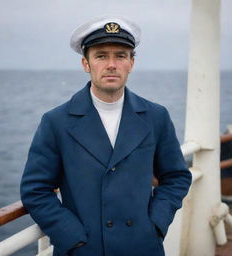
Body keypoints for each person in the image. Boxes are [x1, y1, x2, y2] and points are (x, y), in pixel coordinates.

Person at [20, 16, 192, 256]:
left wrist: (155, 225)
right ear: (85, 63)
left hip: (142, 247)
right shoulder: (56, 122)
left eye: (120, 55)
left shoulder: (155, 116)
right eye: (101, 56)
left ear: (131, 63)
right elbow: (35, 190)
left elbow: (176, 177)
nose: (111, 64)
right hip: (84, 250)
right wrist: (71, 237)